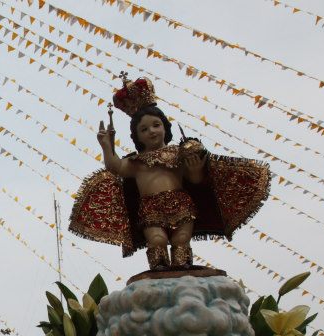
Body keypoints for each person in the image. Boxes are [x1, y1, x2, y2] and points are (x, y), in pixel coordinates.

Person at [69, 76, 270, 271]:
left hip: (181, 204)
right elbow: (115, 167)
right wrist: (106, 146)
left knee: (181, 239)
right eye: (144, 129)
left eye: (156, 125)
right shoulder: (136, 162)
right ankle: (159, 268)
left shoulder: (178, 153)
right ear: (137, 136)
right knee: (157, 240)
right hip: (150, 208)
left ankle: (182, 267)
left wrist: (195, 169)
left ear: (165, 127)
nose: (152, 131)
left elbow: (195, 180)